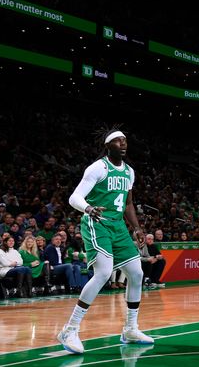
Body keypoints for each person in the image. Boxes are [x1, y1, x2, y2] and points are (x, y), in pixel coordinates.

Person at [57, 128, 153, 355]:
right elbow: (74, 197)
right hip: (97, 222)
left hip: (118, 225)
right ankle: (69, 329)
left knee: (137, 273)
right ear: (108, 145)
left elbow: (128, 203)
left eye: (125, 140)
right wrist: (89, 208)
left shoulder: (129, 171)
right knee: (103, 273)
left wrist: (137, 228)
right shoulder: (98, 168)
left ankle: (130, 329)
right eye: (118, 140)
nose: (123, 143)